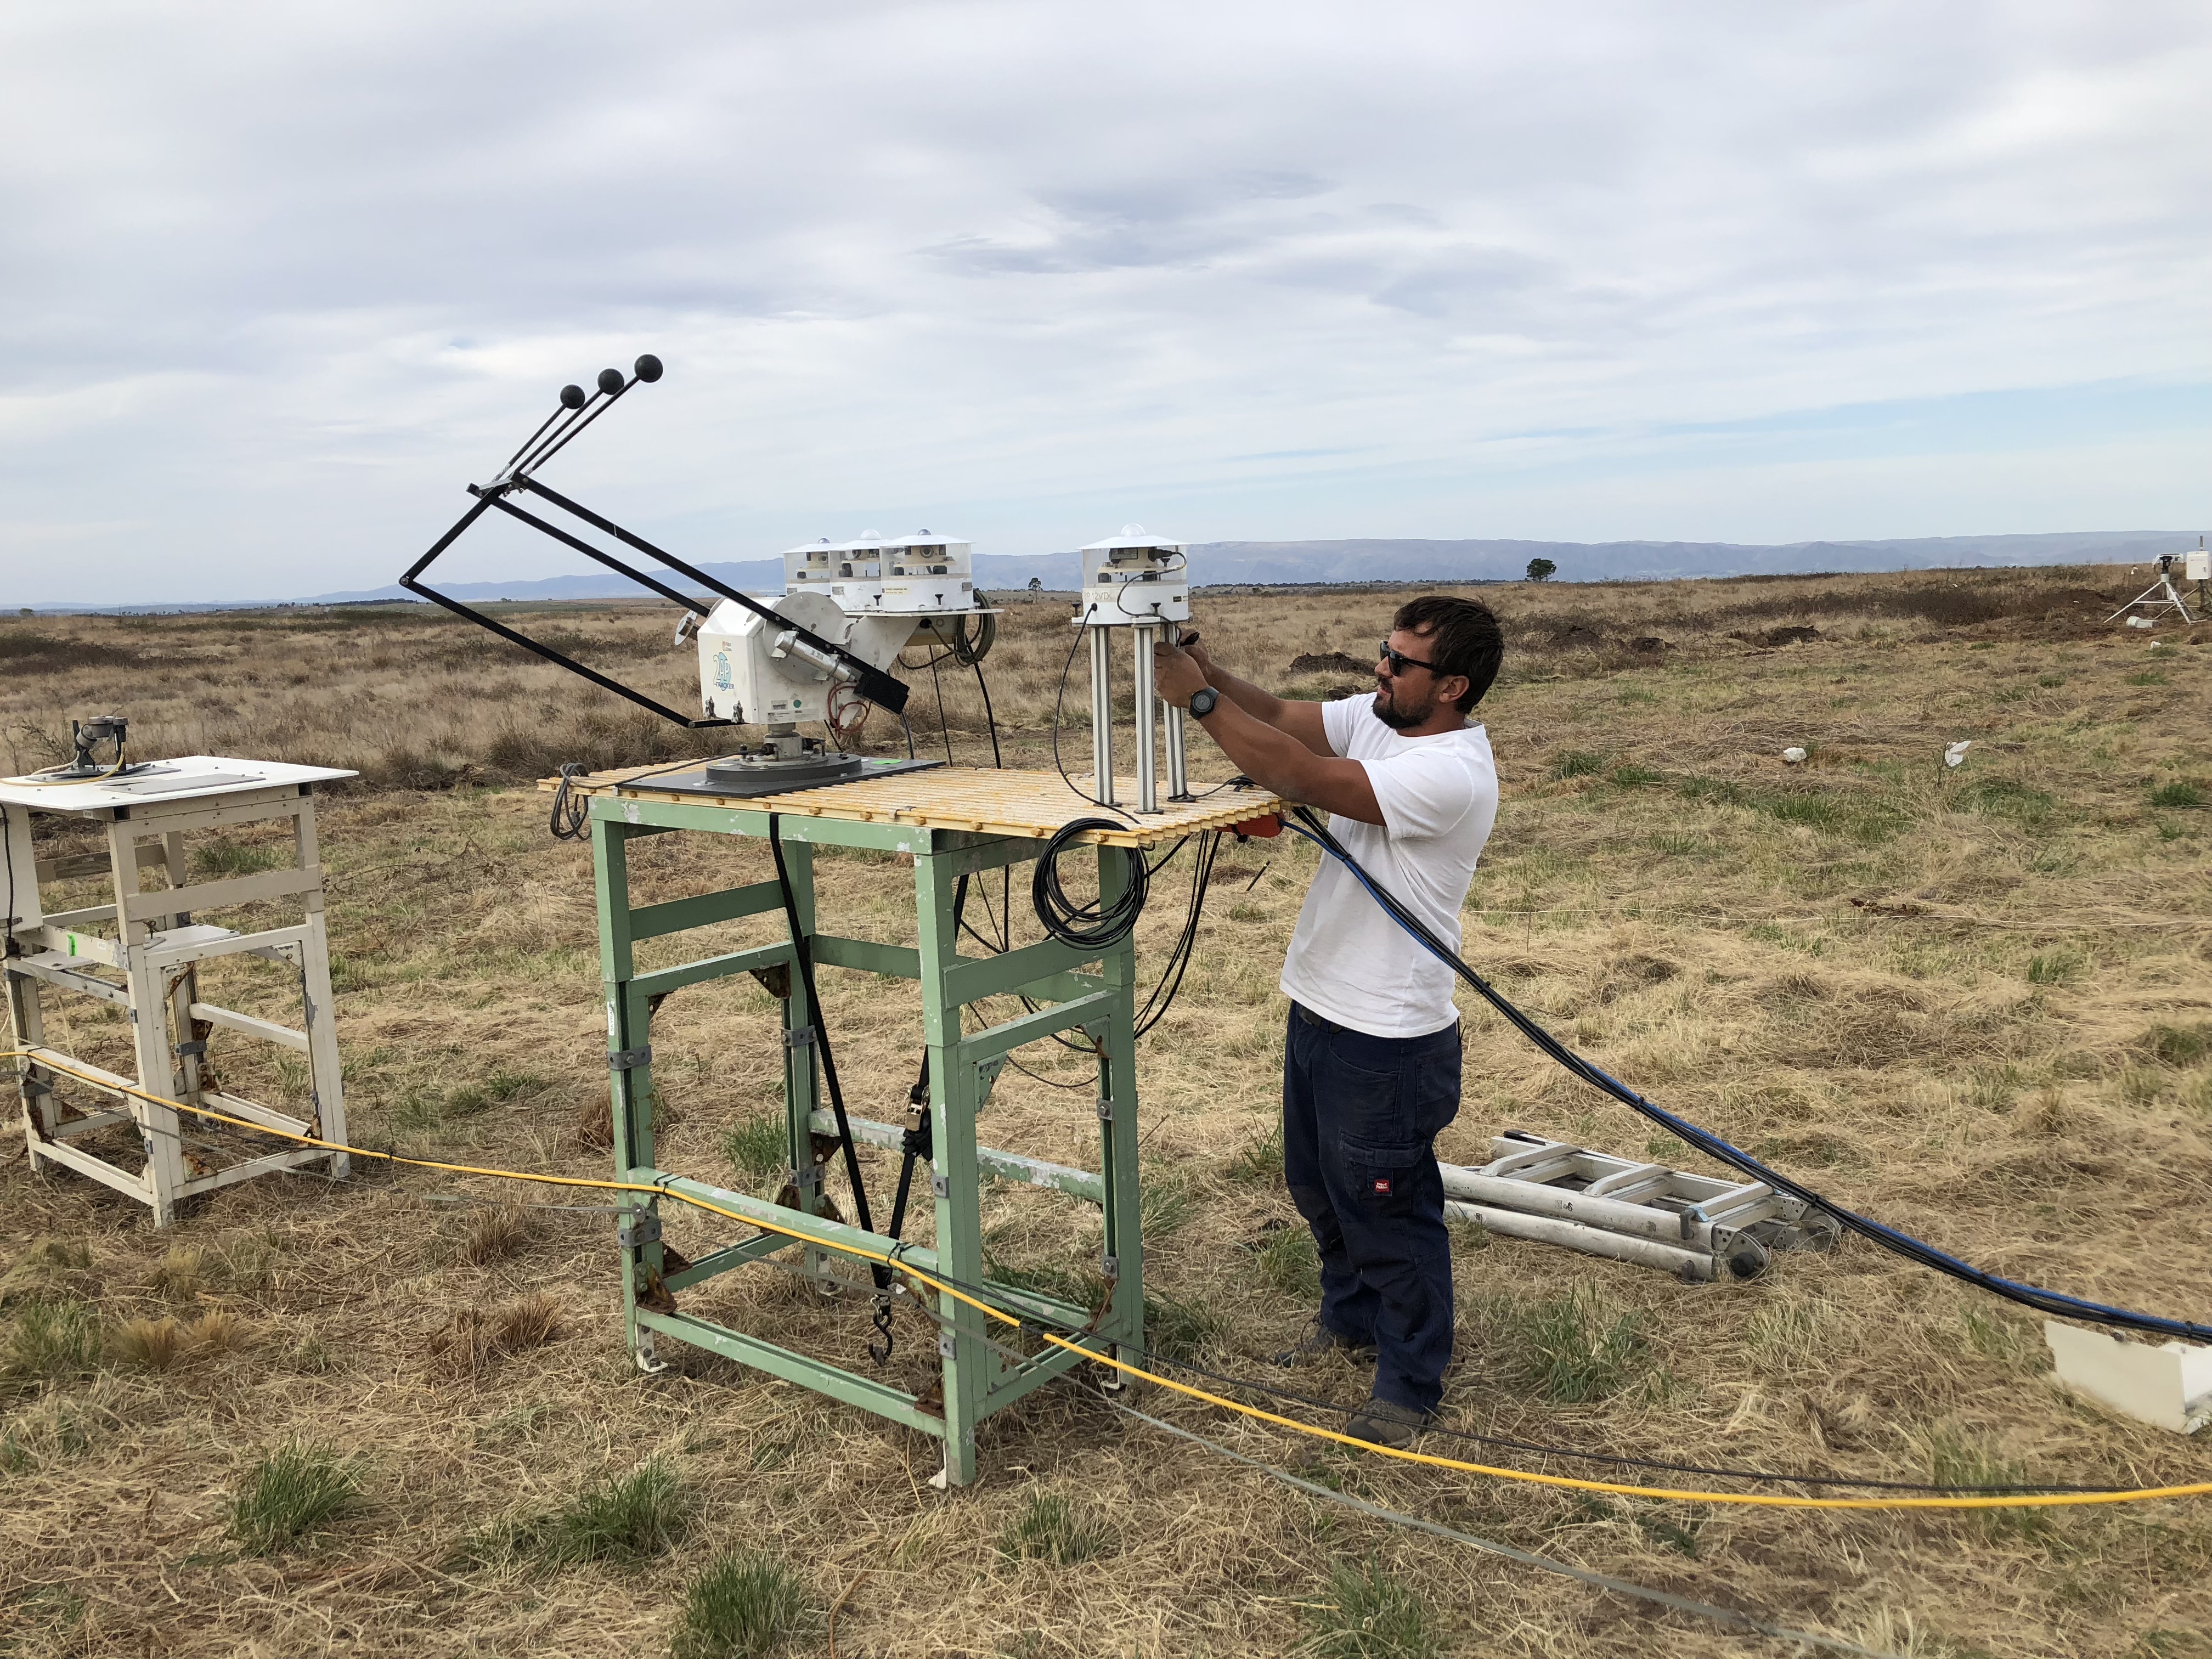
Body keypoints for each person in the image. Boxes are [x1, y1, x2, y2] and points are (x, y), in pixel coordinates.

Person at [1150, 596, 1503, 1447]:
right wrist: (1210, 673)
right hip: (1322, 1006)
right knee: (1317, 1189)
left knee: (1388, 1210)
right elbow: (1277, 719)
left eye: (1400, 662)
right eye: (1384, 651)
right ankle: (1347, 1320)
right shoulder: (1381, 718)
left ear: (1452, 686)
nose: (1379, 669)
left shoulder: (1449, 771)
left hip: (1387, 1037)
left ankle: (1410, 1383)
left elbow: (1301, 776)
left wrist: (1197, 703)